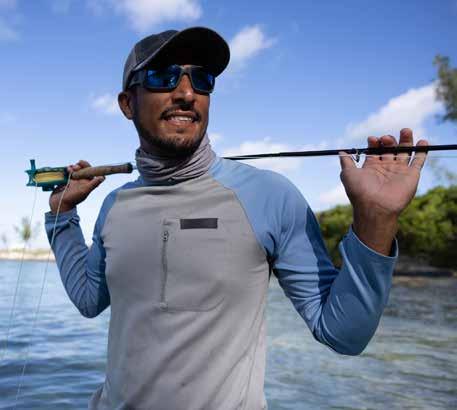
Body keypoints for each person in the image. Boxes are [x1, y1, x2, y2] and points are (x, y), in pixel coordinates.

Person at [45, 26, 428, 410]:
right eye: (163, 76)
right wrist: (62, 216)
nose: (186, 93)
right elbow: (89, 299)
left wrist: (376, 220)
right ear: (127, 103)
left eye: (201, 79)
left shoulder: (270, 196)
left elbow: (343, 334)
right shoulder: (115, 205)